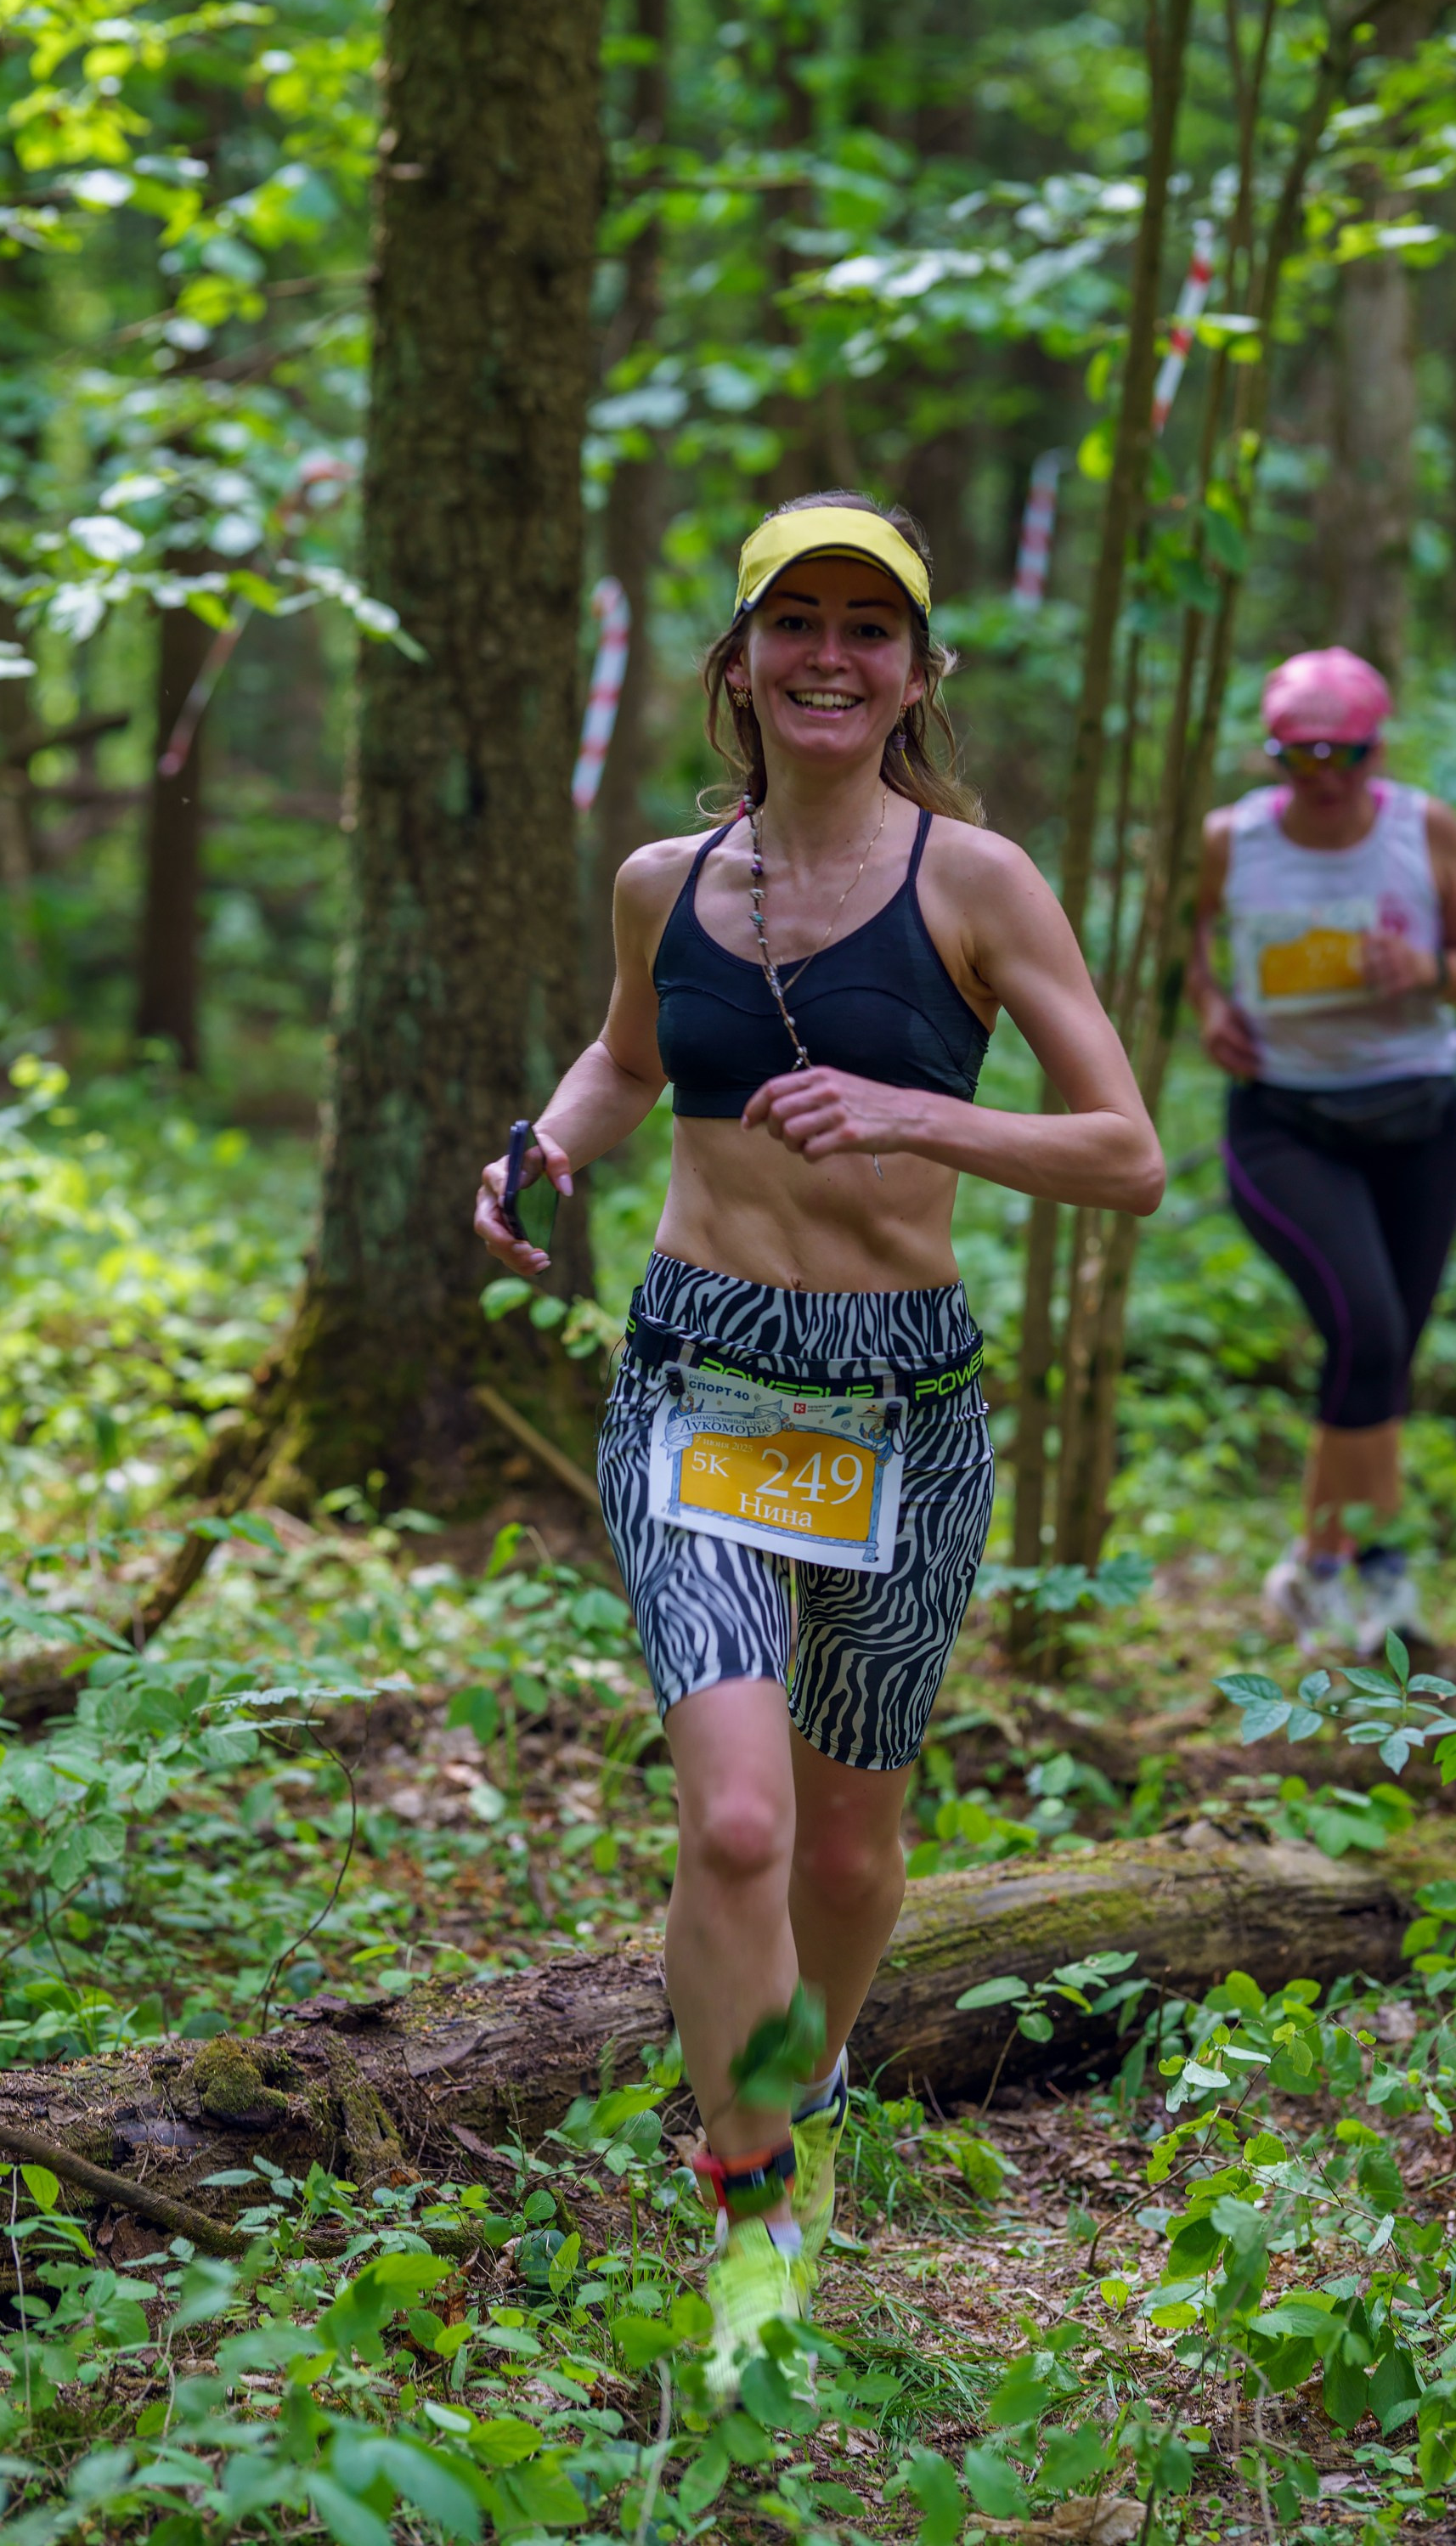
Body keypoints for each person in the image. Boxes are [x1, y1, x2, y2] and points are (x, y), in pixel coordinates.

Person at [475, 491, 1163, 2396]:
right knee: (745, 1818)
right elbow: (630, 1055)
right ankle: (753, 2198)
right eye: (799, 622)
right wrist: (546, 1141)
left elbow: (1127, 1155)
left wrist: (919, 1115)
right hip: (700, 1371)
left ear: (918, 671)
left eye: (873, 626)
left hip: (902, 1406)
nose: (832, 656)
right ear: (741, 662)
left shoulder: (980, 884)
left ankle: (800, 2086)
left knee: (852, 1858)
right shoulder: (661, 877)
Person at [1189, 646, 1456, 1656]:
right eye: (1300, 755)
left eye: (1346, 753)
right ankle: (1377, 1573)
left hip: (1415, 1121)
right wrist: (1208, 1007)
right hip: (1285, 1122)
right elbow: (1189, 936)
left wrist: (1423, 967)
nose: (1324, 775)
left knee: (1377, 1358)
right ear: (1271, 754)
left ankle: (1314, 1567)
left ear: (1376, 750)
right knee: (1366, 1334)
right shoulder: (1229, 839)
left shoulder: (1422, 830)